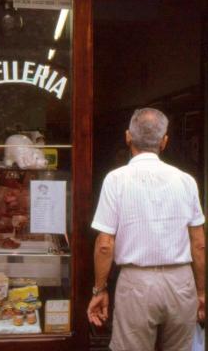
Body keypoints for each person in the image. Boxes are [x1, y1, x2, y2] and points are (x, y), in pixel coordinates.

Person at [87, 108, 205, 351]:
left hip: (136, 283)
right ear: (164, 141)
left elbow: (105, 244)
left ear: (128, 137)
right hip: (181, 282)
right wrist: (201, 291)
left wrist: (99, 289)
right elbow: (199, 243)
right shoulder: (186, 181)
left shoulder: (116, 179)